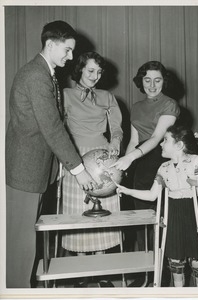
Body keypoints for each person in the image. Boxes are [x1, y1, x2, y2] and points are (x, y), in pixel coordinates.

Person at [5, 20, 96, 288]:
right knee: (19, 247)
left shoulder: (46, 73)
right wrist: (79, 171)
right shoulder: (36, 75)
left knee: (25, 244)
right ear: (50, 44)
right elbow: (52, 127)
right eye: (67, 50)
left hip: (35, 169)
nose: (70, 57)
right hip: (25, 171)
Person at [117, 124, 198, 287]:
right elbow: (152, 194)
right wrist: (128, 191)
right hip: (173, 217)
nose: (160, 144)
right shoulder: (163, 168)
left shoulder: (196, 162)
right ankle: (178, 292)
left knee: (197, 262)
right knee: (175, 263)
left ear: (179, 145)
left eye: (165, 140)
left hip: (194, 216)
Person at [112, 60, 180, 286]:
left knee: (162, 220)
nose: (152, 85)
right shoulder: (137, 106)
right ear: (141, 81)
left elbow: (156, 138)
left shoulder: (170, 104)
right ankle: (148, 274)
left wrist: (131, 157)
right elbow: (133, 140)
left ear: (164, 82)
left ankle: (167, 275)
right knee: (142, 222)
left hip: (162, 162)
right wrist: (123, 165)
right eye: (147, 79)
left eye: (157, 80)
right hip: (140, 164)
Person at [61, 51, 123, 288]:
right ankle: (81, 269)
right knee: (79, 212)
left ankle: (103, 269)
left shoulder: (107, 96)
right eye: (90, 71)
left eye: (99, 72)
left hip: (102, 158)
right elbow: (59, 129)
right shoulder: (65, 95)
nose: (95, 76)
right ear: (79, 70)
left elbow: (116, 127)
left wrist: (115, 145)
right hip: (76, 158)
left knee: (105, 213)